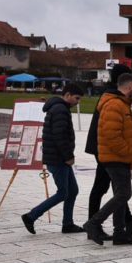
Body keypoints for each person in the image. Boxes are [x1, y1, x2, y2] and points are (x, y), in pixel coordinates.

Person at [85, 66, 132, 236]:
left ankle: (123, 227)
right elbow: (111, 134)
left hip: (108, 150)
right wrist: (130, 154)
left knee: (120, 190)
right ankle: (94, 224)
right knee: (107, 189)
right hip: (108, 152)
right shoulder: (113, 100)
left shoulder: (116, 98)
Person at [22, 86, 84, 234]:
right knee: (63, 192)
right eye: (77, 98)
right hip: (58, 159)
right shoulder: (60, 110)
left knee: (73, 191)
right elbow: (59, 136)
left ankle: (68, 224)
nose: (78, 102)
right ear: (67, 94)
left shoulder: (59, 108)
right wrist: (68, 156)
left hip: (58, 157)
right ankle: (31, 216)